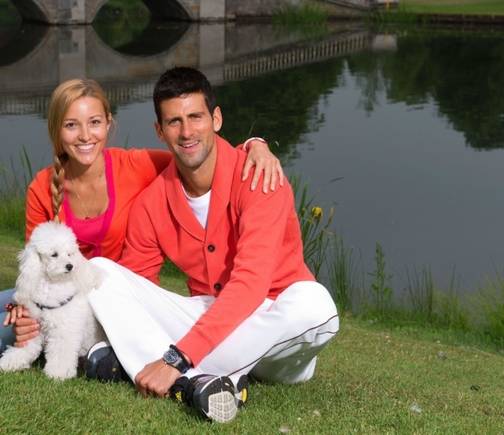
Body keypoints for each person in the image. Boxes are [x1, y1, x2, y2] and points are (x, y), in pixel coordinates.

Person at [0, 78, 284, 354]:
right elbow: (36, 267)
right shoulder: (41, 187)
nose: (85, 136)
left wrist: (254, 145)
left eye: (94, 123)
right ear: (56, 131)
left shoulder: (138, 166)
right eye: (71, 125)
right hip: (57, 291)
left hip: (109, 295)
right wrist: (24, 306)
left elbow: (197, 152)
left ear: (108, 125)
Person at [82, 67, 339, 424]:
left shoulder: (259, 177)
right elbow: (137, 289)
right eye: (174, 122)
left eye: (195, 117)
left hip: (276, 329)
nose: (187, 132)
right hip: (210, 316)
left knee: (315, 303)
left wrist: (177, 356)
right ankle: (200, 383)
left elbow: (250, 284)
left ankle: (169, 370)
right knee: (101, 273)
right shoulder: (151, 204)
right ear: (159, 130)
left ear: (216, 119)